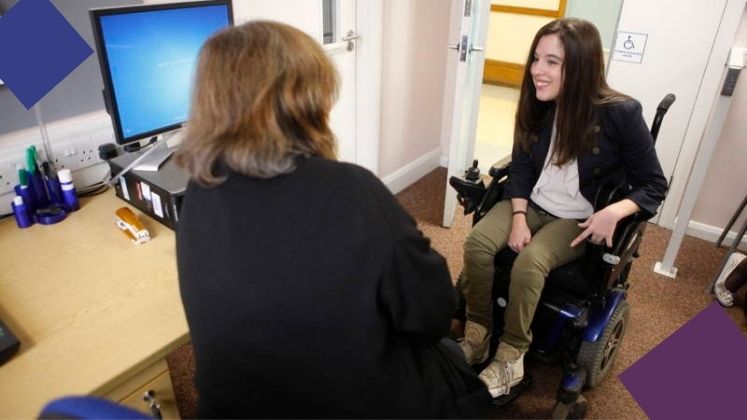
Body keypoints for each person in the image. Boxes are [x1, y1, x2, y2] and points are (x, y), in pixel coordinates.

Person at [174, 21, 491, 418]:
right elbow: (431, 313)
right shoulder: (351, 191)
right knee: (450, 364)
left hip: (234, 408)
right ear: (305, 99)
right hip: (352, 405)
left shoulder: (200, 191)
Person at [457, 18, 668, 398]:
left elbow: (654, 183)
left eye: (552, 62)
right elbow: (520, 165)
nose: (538, 70)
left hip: (577, 217)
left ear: (581, 66)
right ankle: (478, 331)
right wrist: (518, 216)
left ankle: (511, 355)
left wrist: (615, 211)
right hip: (531, 202)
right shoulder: (537, 104)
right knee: (476, 243)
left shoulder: (620, 114)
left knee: (529, 262)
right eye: (537, 58)